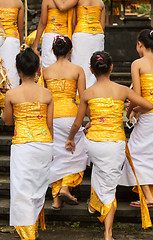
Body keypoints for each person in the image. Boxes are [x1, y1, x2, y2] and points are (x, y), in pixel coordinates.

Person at [66, 51, 153, 240]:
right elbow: (148, 105)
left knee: (100, 169)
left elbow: (76, 123)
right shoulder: (123, 90)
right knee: (109, 188)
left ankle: (93, 205)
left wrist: (71, 138)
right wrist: (132, 110)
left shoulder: (88, 93)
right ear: (111, 67)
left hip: (94, 144)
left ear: (91, 70)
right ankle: (108, 233)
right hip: (115, 144)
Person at [3, 48, 53, 240]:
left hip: (23, 144)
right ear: (38, 68)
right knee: (38, 188)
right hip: (44, 143)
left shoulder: (11, 95)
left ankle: (27, 232)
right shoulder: (47, 94)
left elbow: (7, 121)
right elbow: (49, 125)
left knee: (22, 188)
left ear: (18, 70)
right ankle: (30, 227)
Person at [38, 35, 88, 209]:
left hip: (51, 117)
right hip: (71, 116)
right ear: (70, 50)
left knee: (56, 156)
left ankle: (56, 198)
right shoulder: (78, 69)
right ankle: (66, 186)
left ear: (53, 50)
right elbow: (83, 98)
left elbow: (43, 98)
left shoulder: (46, 71)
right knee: (76, 153)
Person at [120, 29, 153, 209]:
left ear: (140, 45)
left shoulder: (137, 63)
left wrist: (130, 112)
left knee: (134, 152)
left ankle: (149, 197)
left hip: (147, 114)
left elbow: (137, 95)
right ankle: (151, 195)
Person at [32, 0, 77, 69]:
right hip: (65, 37)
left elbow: (42, 23)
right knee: (64, 67)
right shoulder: (70, 2)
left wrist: (35, 45)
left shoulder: (47, 1)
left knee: (48, 67)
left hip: (49, 37)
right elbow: (73, 24)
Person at [71, 0, 105, 89]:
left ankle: (79, 91)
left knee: (79, 63)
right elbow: (102, 25)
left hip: (81, 34)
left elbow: (73, 22)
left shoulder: (78, 1)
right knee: (96, 63)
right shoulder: (101, 3)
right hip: (97, 35)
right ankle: (94, 91)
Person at [0, 0, 24, 89]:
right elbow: (21, 28)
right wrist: (20, 45)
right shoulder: (18, 3)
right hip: (13, 40)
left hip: (1, 38)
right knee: (11, 72)